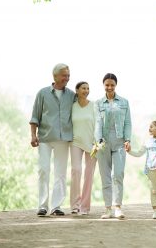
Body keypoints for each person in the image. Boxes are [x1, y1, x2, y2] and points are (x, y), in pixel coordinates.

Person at [30, 63, 75, 216]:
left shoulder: (71, 95)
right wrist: (33, 135)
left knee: (60, 173)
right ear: (55, 76)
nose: (67, 78)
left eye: (68, 75)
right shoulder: (42, 93)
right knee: (43, 170)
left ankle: (56, 206)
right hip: (45, 138)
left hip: (63, 139)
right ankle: (43, 205)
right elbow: (35, 116)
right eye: (64, 75)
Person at [94, 73, 132, 219]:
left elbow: (128, 122)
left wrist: (128, 139)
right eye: (107, 85)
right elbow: (97, 123)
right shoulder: (98, 103)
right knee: (105, 176)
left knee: (118, 174)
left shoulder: (124, 102)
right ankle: (107, 209)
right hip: (103, 143)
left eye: (112, 85)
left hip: (119, 142)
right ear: (103, 85)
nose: (109, 87)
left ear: (116, 85)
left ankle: (118, 207)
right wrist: (98, 141)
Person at [70, 81, 97, 215]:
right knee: (76, 170)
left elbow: (98, 124)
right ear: (77, 90)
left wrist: (97, 142)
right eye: (83, 88)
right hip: (75, 141)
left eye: (88, 88)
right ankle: (75, 205)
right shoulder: (72, 106)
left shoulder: (94, 106)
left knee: (89, 174)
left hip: (92, 143)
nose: (86, 90)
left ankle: (85, 207)